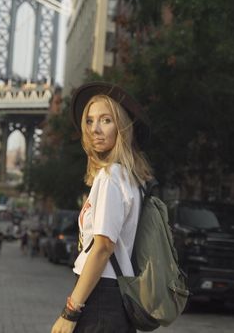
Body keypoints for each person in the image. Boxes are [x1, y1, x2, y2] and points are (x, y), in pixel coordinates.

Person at [51, 82, 153, 333]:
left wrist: (71, 311)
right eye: (89, 121)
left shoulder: (111, 177)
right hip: (114, 295)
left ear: (122, 127)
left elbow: (103, 247)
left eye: (106, 120)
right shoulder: (132, 178)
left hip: (101, 297)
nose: (95, 129)